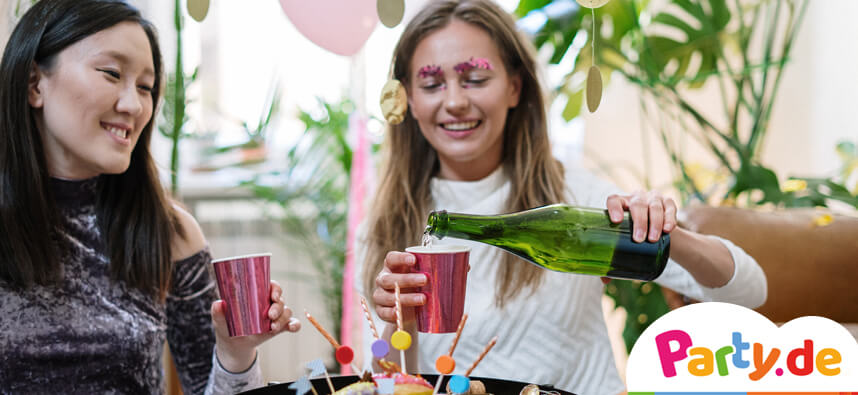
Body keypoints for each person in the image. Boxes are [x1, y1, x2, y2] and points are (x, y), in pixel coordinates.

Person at [356, 1, 767, 394]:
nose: (455, 101)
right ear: (408, 97)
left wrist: (665, 231)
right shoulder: (386, 223)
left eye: (476, 79)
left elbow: (749, 292)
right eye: (430, 84)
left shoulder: (577, 198)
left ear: (515, 87)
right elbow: (382, 375)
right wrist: (398, 324)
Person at [0, 1, 300, 393]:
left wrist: (235, 351)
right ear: (34, 83)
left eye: (146, 86)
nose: (134, 105)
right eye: (111, 73)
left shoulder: (171, 233)